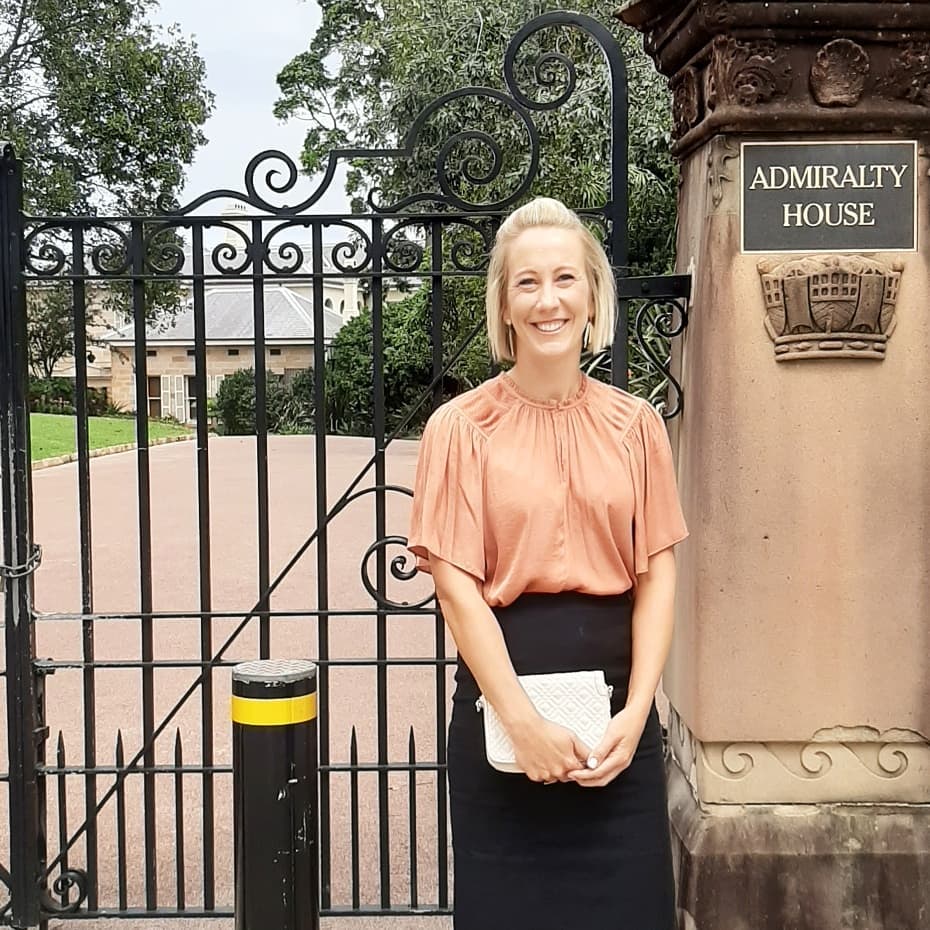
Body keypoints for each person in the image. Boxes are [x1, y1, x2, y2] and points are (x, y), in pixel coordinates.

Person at [407, 197, 688, 930]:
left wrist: (638, 716)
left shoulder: (638, 427)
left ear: (592, 293)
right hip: (502, 726)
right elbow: (456, 589)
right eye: (526, 283)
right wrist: (522, 721)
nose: (548, 300)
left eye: (565, 278)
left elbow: (657, 576)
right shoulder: (460, 429)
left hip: (616, 734)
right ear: (503, 304)